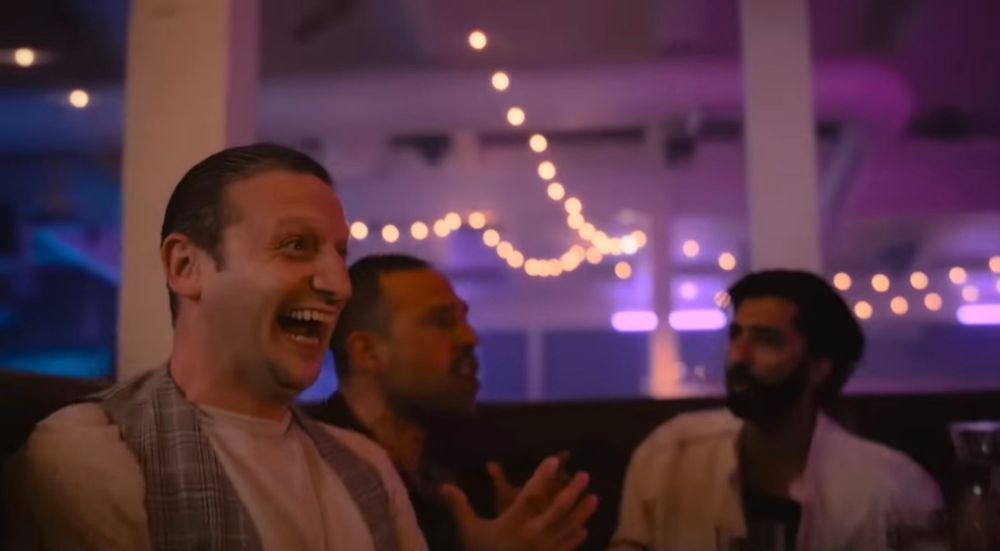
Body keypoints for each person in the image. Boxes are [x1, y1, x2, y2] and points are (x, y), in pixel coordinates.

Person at [8, 143, 426, 551]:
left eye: (340, 255)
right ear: (185, 267)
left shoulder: (366, 463)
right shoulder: (92, 451)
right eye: (297, 245)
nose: (339, 286)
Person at [610, 270, 945, 551]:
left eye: (767, 341)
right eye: (735, 335)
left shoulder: (892, 490)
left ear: (819, 367)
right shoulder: (671, 453)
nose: (738, 357)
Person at [314, 253, 598, 551]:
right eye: (442, 322)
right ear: (367, 353)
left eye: (464, 319)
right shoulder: (314, 473)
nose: (470, 337)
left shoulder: (477, 464)